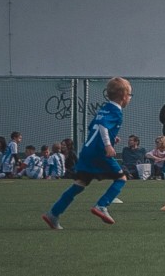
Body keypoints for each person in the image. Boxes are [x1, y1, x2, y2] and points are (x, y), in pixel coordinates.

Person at [42, 77, 133, 229]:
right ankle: (102, 205)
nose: (130, 98)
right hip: (99, 152)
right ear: (124, 96)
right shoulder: (116, 111)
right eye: (130, 95)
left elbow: (94, 126)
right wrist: (108, 145)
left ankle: (53, 214)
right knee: (121, 178)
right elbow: (103, 127)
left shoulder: (104, 108)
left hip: (87, 151)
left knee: (80, 183)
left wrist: (111, 137)